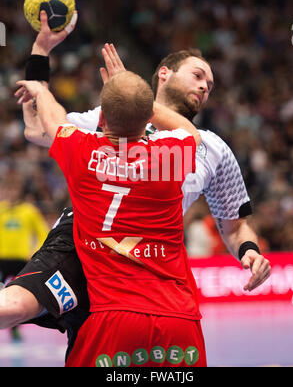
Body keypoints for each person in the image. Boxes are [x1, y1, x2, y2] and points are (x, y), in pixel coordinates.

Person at [0, 12, 270, 364]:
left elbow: (234, 222)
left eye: (211, 85)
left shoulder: (212, 147)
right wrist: (41, 52)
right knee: (16, 305)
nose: (205, 86)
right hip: (82, 241)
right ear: (163, 73)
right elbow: (37, 129)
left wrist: (248, 250)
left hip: (140, 270)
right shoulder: (109, 116)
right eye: (199, 74)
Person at [15, 66, 204, 367]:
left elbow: (53, 120)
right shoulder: (172, 154)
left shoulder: (82, 150)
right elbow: (191, 133)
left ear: (101, 119)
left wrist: (40, 90)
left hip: (113, 320)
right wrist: (142, 101)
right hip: (178, 319)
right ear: (149, 120)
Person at [0, 177, 48, 340]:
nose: (10, 193)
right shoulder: (1, 209)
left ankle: (14, 327)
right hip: (2, 259)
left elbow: (43, 232)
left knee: (18, 297)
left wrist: (35, 252)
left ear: (19, 191)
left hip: (21, 260)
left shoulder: (29, 211)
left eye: (14, 189)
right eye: (8, 189)